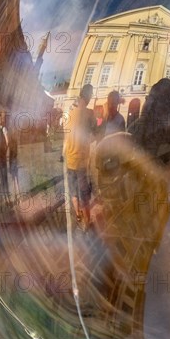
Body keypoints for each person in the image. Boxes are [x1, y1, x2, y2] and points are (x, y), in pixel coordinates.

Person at [64, 84, 97, 230]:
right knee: (84, 194)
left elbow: (65, 136)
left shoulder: (69, 113)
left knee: (73, 190)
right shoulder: (89, 114)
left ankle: (77, 214)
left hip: (69, 160)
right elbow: (94, 136)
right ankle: (87, 223)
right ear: (88, 98)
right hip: (82, 162)